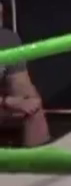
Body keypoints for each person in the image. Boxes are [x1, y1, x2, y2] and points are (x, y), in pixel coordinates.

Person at [0, 10, 49, 148]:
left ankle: (38, 157)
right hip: (3, 101)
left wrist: (28, 101)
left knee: (32, 106)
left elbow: (20, 82)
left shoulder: (6, 39)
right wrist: (7, 101)